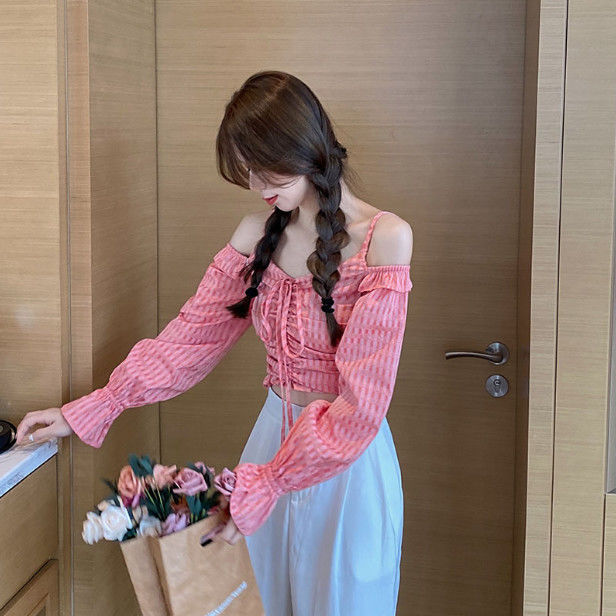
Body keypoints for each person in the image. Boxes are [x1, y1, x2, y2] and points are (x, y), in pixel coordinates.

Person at [15, 70, 413, 616]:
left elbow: (363, 404)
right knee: (256, 602)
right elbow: (189, 341)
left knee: (344, 602)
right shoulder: (255, 235)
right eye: (245, 170)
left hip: (348, 467)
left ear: (306, 145)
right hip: (269, 445)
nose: (256, 184)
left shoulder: (385, 240)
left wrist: (270, 482)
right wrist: (92, 406)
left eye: (264, 165)